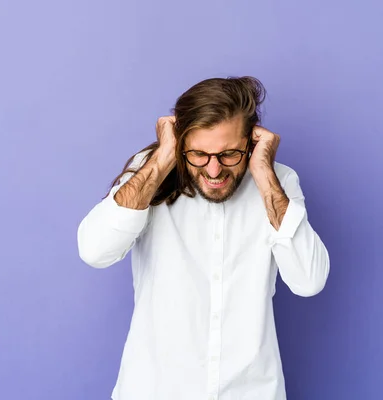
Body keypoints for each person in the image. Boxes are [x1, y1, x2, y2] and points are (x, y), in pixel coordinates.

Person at [77, 76, 330, 400]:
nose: (213, 171)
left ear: (251, 142)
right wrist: (163, 157)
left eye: (229, 154)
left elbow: (308, 281)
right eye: (198, 154)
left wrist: (265, 175)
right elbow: (94, 251)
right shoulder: (148, 174)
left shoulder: (279, 182)